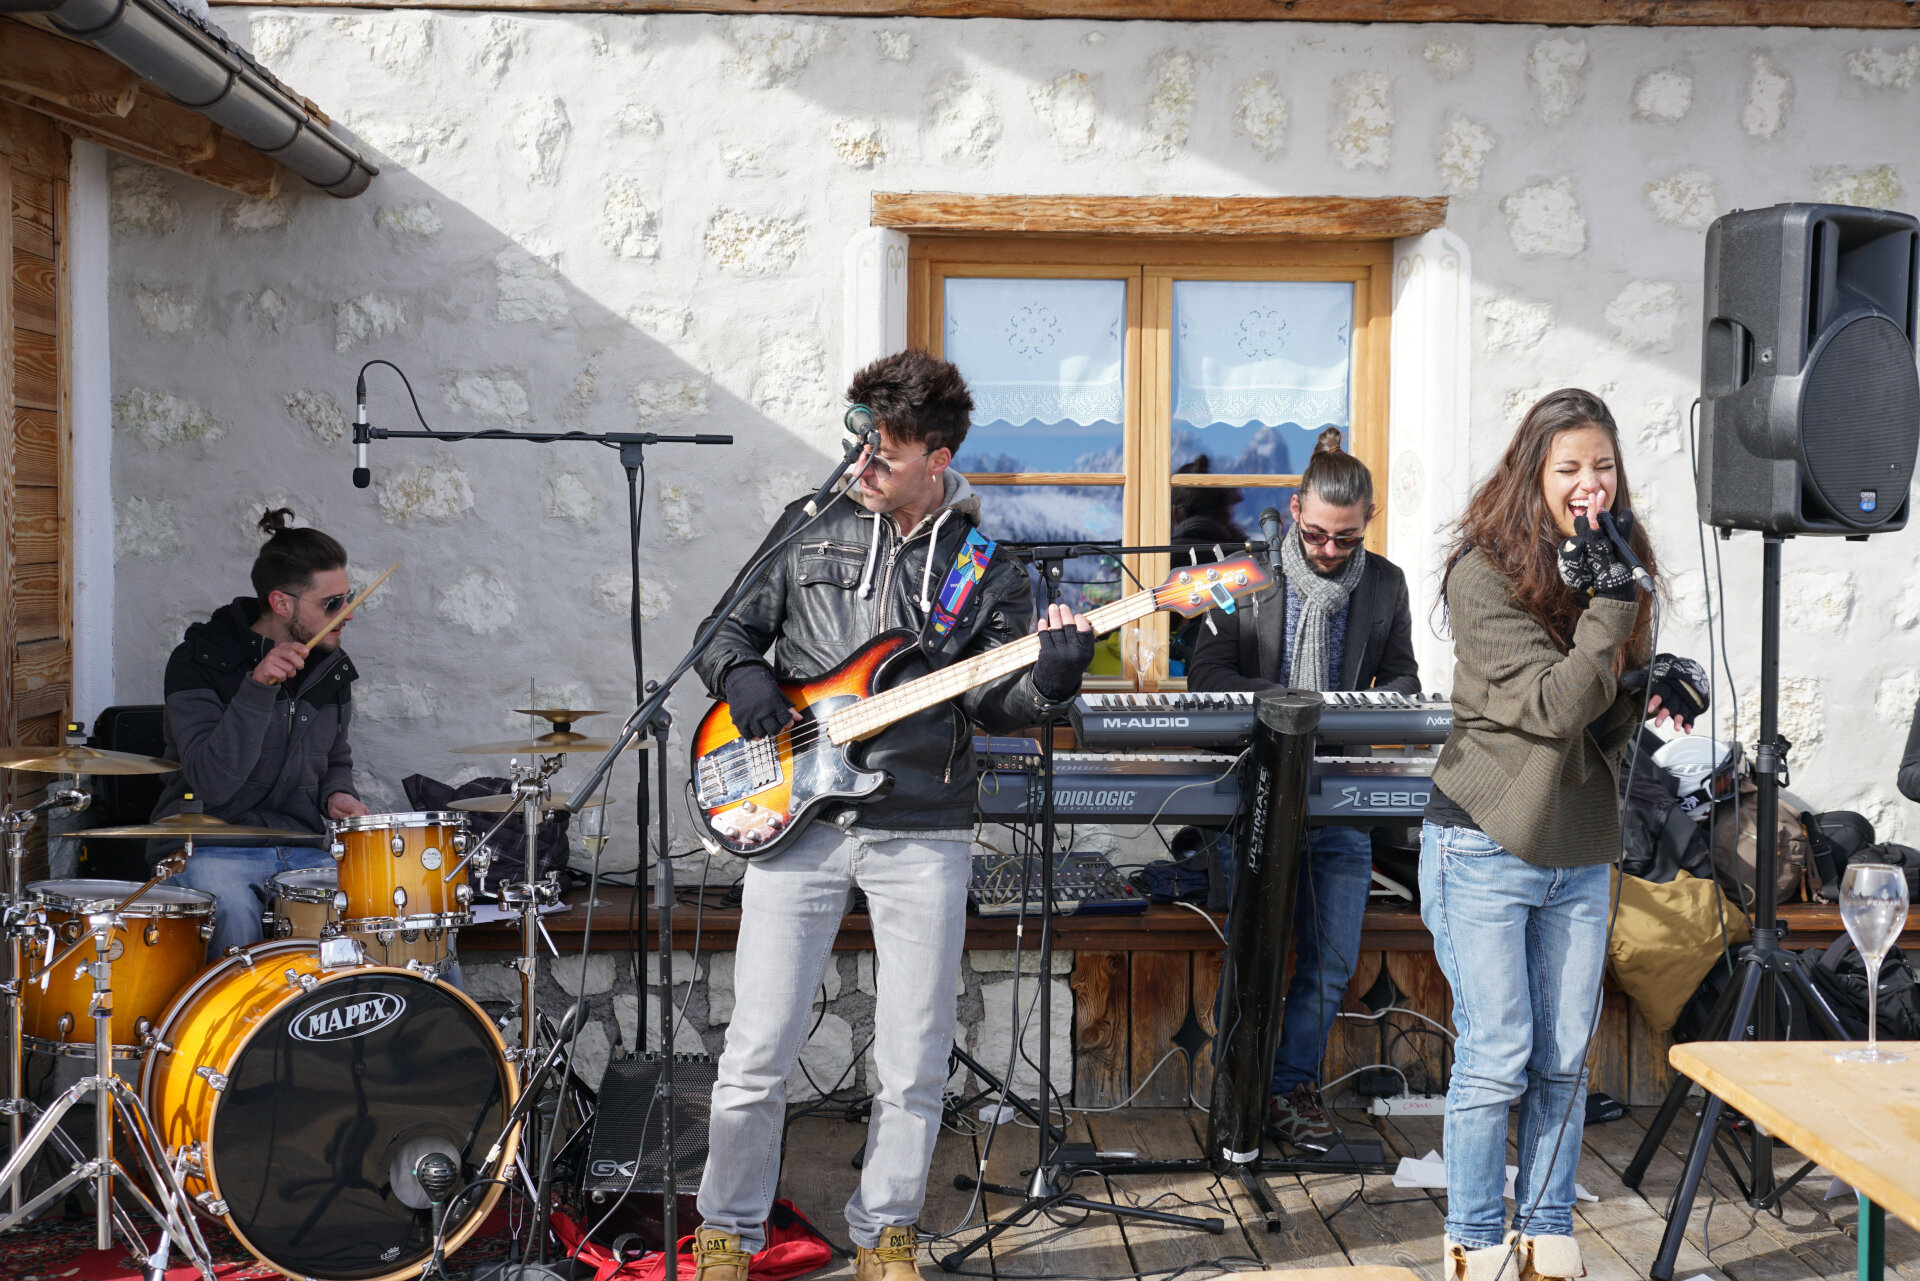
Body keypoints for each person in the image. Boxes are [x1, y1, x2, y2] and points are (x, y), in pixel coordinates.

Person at [690, 350, 1095, 1281]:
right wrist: (747, 680)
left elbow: (998, 703)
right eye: (858, 444)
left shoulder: (982, 567)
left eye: (885, 451)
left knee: (913, 1056)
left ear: (938, 457)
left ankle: (888, 1234)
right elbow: (723, 632)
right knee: (757, 1044)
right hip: (799, 815)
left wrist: (1053, 678)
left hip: (925, 825)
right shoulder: (808, 528)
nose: (861, 463)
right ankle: (728, 1229)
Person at [1422, 390, 1706, 1281]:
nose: (1592, 485)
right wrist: (1615, 620)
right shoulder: (1483, 575)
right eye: (1571, 468)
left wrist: (1655, 686)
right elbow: (1550, 706)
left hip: (1578, 846)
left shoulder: (1616, 563)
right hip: (1486, 842)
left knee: (1561, 1057)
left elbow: (1599, 718)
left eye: (1606, 466)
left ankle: (1546, 1231)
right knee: (1499, 1049)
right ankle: (1473, 1238)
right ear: (1532, 476)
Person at [1186, 428, 1419, 1152]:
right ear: (1292, 509)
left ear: (1368, 522)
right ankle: (1236, 1095)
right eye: (1315, 534)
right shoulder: (1247, 574)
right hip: (1254, 791)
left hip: (1340, 794)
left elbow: (1406, 678)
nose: (1327, 550)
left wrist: (1356, 708)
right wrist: (1289, 701)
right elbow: (1206, 676)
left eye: (1344, 540)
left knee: (1332, 961)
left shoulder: (1384, 584)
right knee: (1254, 947)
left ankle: (1288, 1088)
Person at [153, 508, 369, 958]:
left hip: (301, 845)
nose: (346, 613)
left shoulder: (329, 668)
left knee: (381, 905)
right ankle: (245, 1028)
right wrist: (256, 690)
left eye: (348, 598)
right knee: (229, 910)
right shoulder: (199, 661)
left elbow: (335, 759)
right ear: (281, 603)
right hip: (212, 846)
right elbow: (212, 782)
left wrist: (336, 795)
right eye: (332, 604)